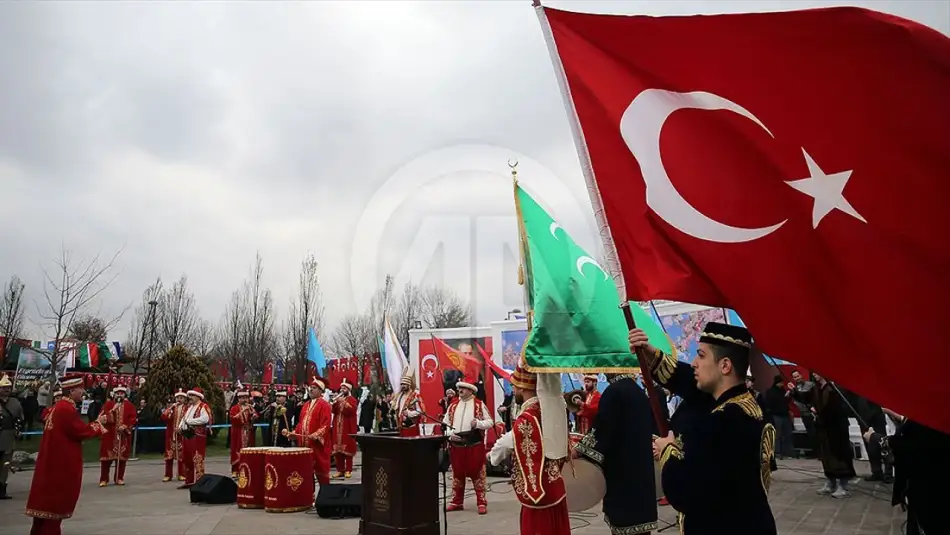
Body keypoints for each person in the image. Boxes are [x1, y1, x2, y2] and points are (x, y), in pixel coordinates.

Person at [632, 322, 777, 535]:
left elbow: (685, 492)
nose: (693, 363)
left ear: (725, 366)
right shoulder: (748, 404)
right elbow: (687, 380)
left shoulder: (721, 421)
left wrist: (668, 451)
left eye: (700, 355)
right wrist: (650, 353)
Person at [489, 364, 570, 535]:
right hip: (555, 486)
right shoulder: (550, 409)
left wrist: (492, 457)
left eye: (515, 386)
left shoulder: (528, 416)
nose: (514, 389)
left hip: (538, 494)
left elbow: (505, 444)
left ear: (523, 386)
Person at [574, 372, 658, 534]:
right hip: (641, 471)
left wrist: (580, 449)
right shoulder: (638, 390)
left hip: (623, 472)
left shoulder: (614, 392)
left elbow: (602, 429)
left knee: (624, 525)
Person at [25, 377, 107, 535]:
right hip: (60, 465)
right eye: (80, 389)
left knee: (44, 513)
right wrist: (99, 423)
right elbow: (81, 431)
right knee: (53, 514)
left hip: (52, 464)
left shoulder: (58, 407)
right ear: (71, 391)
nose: (83, 392)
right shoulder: (66, 409)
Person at [790, 371, 855, 498]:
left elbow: (835, 408)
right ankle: (831, 481)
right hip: (823, 427)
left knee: (838, 454)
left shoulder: (834, 388)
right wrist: (795, 392)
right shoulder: (816, 388)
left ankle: (843, 485)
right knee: (826, 454)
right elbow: (807, 397)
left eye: (816, 372)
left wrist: (819, 411)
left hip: (836, 428)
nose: (814, 374)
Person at [443, 378, 494, 514]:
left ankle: (481, 502)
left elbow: (490, 422)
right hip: (457, 445)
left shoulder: (479, 405)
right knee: (457, 474)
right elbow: (445, 424)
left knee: (477, 474)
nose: (460, 390)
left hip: (473, 445)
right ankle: (457, 501)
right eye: (459, 388)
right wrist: (449, 434)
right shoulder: (452, 406)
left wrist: (478, 423)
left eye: (463, 388)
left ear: (471, 390)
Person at [290, 377, 332, 486]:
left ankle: (325, 496)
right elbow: (301, 423)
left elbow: (326, 425)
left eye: (314, 388)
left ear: (320, 390)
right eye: (310, 388)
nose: (311, 390)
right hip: (305, 445)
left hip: (317, 446)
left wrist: (317, 434)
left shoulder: (325, 405)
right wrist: (294, 433)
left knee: (321, 471)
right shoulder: (305, 405)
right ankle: (309, 496)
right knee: (306, 472)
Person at [98, 386, 137, 487]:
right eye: (118, 393)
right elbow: (101, 418)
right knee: (106, 460)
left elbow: (133, 418)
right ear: (114, 395)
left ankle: (119, 478)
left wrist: (125, 426)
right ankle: (104, 479)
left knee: (121, 459)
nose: (120, 395)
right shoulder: (108, 404)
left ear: (125, 395)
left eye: (122, 393)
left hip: (122, 435)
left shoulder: (130, 406)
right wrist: (112, 411)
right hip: (109, 435)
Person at [178, 387, 212, 489]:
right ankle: (189, 481)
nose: (190, 398)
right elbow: (184, 419)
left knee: (197, 458)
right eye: (190, 395)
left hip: (197, 436)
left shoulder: (203, 406)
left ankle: (199, 481)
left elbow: (206, 419)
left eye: (192, 396)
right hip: (187, 436)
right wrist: (180, 427)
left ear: (198, 396)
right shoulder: (190, 407)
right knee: (187, 458)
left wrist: (190, 421)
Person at [1, 374, 24, 499]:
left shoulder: (15, 402)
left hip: (8, 437)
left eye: (8, 388)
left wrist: (19, 430)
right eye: (4, 388)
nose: (6, 390)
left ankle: (2, 489)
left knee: (5, 464)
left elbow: (20, 418)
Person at [331, 380, 358, 479]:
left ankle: (348, 470)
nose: (342, 390)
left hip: (347, 428)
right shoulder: (338, 398)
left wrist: (343, 403)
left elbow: (352, 411)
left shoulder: (352, 399)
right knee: (338, 451)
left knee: (347, 450)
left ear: (348, 389)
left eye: (344, 388)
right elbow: (334, 411)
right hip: (337, 427)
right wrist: (334, 403)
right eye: (341, 388)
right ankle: (340, 470)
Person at [763, 375, 795, 460]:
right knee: (777, 435)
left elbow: (786, 401)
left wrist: (788, 396)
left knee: (787, 434)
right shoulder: (770, 392)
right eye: (780, 382)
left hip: (785, 414)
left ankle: (787, 452)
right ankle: (777, 452)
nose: (782, 384)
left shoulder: (782, 390)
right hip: (776, 415)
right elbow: (770, 402)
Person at [229, 391, 258, 477]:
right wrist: (242, 411)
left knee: (248, 449)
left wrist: (253, 416)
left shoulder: (250, 407)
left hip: (248, 431)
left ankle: (246, 469)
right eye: (242, 398)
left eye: (246, 398)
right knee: (237, 449)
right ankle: (235, 470)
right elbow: (233, 419)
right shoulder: (234, 408)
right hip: (238, 431)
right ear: (238, 399)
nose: (244, 400)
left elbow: (255, 416)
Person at [161, 389, 188, 482]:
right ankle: (168, 474)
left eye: (181, 398)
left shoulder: (187, 409)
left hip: (182, 434)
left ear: (185, 399)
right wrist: (170, 408)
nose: (179, 400)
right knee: (169, 455)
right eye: (178, 398)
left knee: (181, 455)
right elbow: (164, 417)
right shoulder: (172, 408)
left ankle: (181, 474)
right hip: (171, 435)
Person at [393, 370, 425, 437]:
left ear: (409, 385)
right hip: (401, 425)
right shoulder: (399, 396)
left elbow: (421, 411)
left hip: (411, 425)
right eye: (401, 384)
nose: (402, 386)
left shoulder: (415, 396)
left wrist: (409, 414)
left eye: (404, 384)